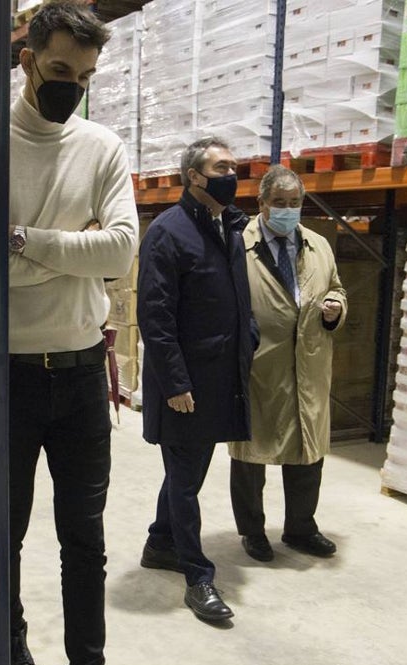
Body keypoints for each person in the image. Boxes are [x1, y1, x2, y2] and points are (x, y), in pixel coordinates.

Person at [0, 3, 137, 665]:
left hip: (82, 378)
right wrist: (71, 249)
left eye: (83, 75)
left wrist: (21, 240)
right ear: (25, 60)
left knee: (85, 543)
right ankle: (16, 658)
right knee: (5, 538)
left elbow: (120, 250)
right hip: (7, 380)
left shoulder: (103, 149)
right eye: (58, 70)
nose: (70, 86)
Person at [137, 136, 257, 624]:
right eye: (221, 166)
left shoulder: (225, 226)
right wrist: (175, 383)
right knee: (187, 480)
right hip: (186, 383)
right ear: (194, 177)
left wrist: (247, 337)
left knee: (185, 473)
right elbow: (155, 316)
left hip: (219, 376)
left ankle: (160, 542)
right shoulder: (169, 232)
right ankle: (197, 575)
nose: (232, 173)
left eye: (234, 165)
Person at [228, 166, 346, 563]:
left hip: (309, 363)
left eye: (295, 204)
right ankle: (252, 531)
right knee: (250, 454)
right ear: (260, 204)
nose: (288, 211)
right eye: (279, 204)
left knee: (307, 451)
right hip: (259, 365)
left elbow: (336, 288)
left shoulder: (318, 245)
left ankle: (300, 528)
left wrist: (335, 310)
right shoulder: (237, 244)